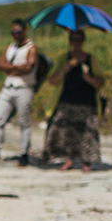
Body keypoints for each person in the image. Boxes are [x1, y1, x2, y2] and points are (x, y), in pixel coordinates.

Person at [43, 29, 104, 172]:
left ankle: (86, 162)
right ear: (69, 41)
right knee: (66, 132)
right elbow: (52, 81)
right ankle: (68, 160)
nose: (76, 43)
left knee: (88, 133)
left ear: (83, 41)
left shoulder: (91, 59)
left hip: (87, 101)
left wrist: (89, 78)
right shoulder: (64, 58)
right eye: (73, 40)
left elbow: (101, 81)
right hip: (66, 100)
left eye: (79, 39)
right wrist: (65, 69)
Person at [0, 19, 38, 166]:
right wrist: (17, 67)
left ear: (25, 31)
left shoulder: (31, 48)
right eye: (13, 32)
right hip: (8, 87)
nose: (15, 35)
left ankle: (24, 153)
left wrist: (9, 67)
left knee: (23, 121)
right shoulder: (10, 47)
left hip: (24, 88)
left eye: (18, 32)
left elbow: (29, 67)